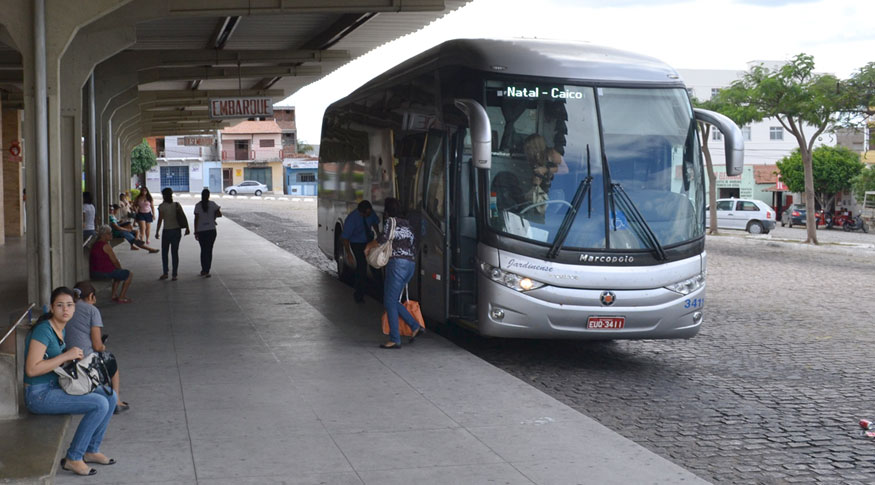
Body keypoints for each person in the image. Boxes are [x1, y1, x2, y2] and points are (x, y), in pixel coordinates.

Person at [24, 286, 117, 477]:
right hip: (39, 395)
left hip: (55, 386)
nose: (65, 309)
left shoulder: (61, 330)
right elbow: (32, 369)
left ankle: (91, 449)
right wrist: (65, 356)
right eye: (60, 305)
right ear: (51, 308)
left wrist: (71, 360)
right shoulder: (44, 330)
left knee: (111, 396)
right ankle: (74, 458)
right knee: (99, 404)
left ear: (74, 308)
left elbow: (55, 363)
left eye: (69, 305)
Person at [366, 197, 423, 349]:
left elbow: (383, 239)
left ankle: (395, 339)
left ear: (387, 210)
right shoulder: (408, 225)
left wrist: (368, 246)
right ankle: (414, 326)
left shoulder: (391, 221)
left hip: (397, 264)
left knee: (389, 301)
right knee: (393, 300)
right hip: (410, 264)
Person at [66, 281, 130, 414]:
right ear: (91, 296)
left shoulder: (67, 308)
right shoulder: (92, 311)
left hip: (65, 359)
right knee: (111, 362)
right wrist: (103, 346)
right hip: (84, 360)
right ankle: (116, 401)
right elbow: (97, 345)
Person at [340, 200, 380, 303]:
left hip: (368, 241)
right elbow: (345, 238)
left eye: (369, 213)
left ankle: (380, 293)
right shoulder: (352, 219)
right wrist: (348, 253)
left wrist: (378, 233)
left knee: (375, 265)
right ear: (361, 212)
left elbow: (375, 222)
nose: (368, 215)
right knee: (361, 267)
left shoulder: (371, 213)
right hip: (357, 243)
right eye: (366, 214)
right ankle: (359, 295)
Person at [90, 225, 134, 303]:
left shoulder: (96, 244)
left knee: (118, 273)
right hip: (104, 272)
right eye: (109, 233)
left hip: (95, 271)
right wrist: (120, 269)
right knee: (129, 274)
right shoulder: (106, 245)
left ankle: (114, 295)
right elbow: (115, 261)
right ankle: (122, 297)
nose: (111, 235)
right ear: (103, 235)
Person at [155, 187, 190, 281]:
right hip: (176, 231)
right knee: (175, 253)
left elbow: (160, 220)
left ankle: (165, 273)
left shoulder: (161, 206)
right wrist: (187, 228)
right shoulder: (177, 205)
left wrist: (157, 231)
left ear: (163, 196)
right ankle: (174, 274)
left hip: (166, 231)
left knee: (164, 253)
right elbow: (183, 216)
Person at [193, 188, 222, 277]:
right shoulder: (213, 204)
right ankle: (207, 269)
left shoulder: (198, 205)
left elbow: (196, 219)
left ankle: (203, 269)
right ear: (209, 196)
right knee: (209, 250)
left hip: (201, 231)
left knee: (203, 250)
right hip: (211, 231)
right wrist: (214, 213)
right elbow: (220, 214)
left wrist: (195, 231)